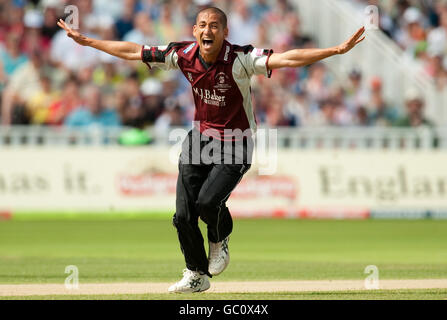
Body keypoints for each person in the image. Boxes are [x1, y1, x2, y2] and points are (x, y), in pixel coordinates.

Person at [57, 6, 365, 293]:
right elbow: (133, 51)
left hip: (237, 141)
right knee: (181, 216)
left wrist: (336, 50)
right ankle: (197, 274)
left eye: (215, 26)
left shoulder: (241, 59)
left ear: (224, 32)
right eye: (203, 25)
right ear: (194, 31)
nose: (208, 30)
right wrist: (89, 43)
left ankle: (219, 238)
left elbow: (287, 58)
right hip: (200, 139)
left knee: (207, 203)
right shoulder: (184, 54)